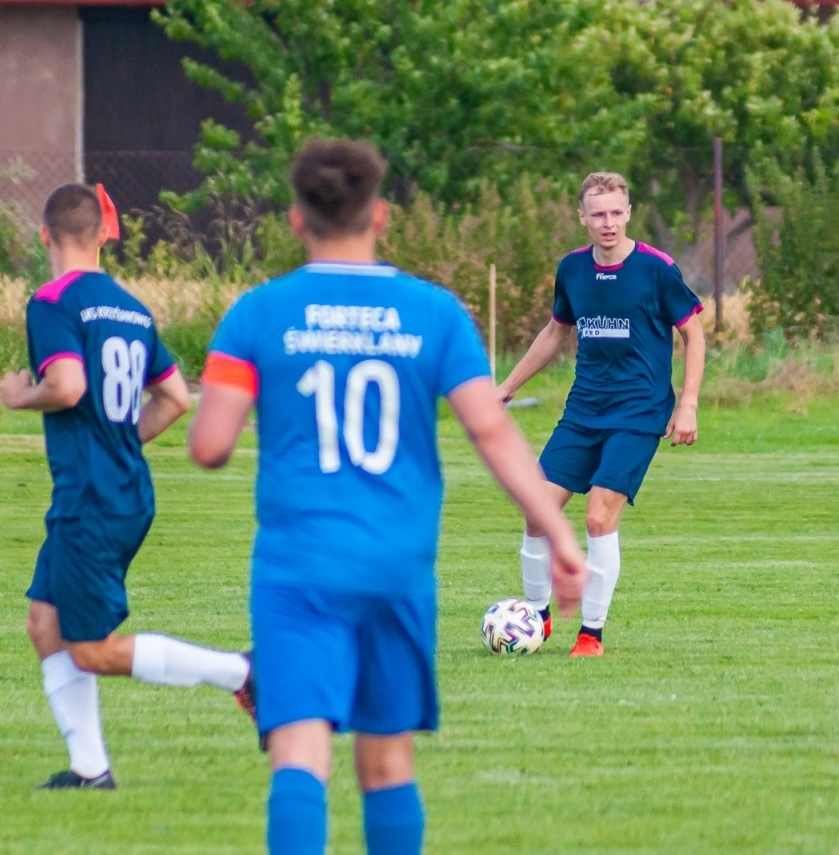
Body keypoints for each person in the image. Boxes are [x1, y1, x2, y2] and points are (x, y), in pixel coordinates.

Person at [187, 140, 587, 855]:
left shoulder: (258, 312)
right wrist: (557, 533)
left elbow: (210, 446)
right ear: (381, 215)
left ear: (296, 219)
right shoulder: (432, 312)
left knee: (300, 755)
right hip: (394, 568)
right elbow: (490, 429)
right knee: (388, 762)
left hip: (298, 567)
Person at [0, 184, 254, 791]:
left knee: (89, 649)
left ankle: (240, 671)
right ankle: (89, 771)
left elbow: (66, 386)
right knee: (45, 622)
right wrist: (121, 444)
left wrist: (19, 397)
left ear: (45, 236)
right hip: (119, 490)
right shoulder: (130, 307)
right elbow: (175, 398)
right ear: (102, 237)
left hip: (90, 498)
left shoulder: (51, 301)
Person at [497, 172, 706, 657]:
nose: (608, 222)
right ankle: (535, 619)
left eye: (616, 212)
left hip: (639, 412)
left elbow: (694, 334)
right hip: (583, 410)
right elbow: (555, 333)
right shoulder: (571, 269)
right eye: (598, 214)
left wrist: (688, 402)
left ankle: (591, 633)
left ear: (629, 212)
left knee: (596, 518)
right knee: (536, 509)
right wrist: (506, 387)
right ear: (582, 217)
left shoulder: (656, 269)